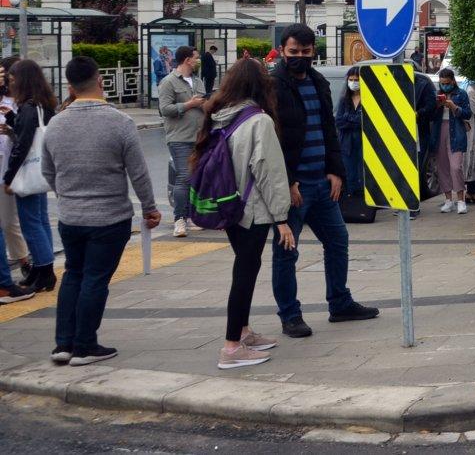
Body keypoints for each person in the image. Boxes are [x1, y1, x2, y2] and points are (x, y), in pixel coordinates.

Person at [42, 57, 160, 365]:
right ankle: (85, 345)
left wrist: (66, 195)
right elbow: (138, 173)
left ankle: (63, 345)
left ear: (69, 87)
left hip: (70, 217)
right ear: (101, 82)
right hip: (109, 217)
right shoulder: (119, 122)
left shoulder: (56, 123)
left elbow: (48, 171)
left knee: (72, 275)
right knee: (95, 279)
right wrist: (149, 208)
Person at [271, 24, 379, 339]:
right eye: (294, 53)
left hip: (321, 182)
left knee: (337, 241)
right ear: (283, 51)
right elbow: (271, 140)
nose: (300, 58)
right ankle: (290, 315)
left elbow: (329, 129)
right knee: (286, 253)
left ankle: (340, 303)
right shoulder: (273, 85)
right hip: (293, 188)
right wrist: (287, 181)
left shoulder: (318, 81)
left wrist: (336, 170)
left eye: (306, 53)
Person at [195, 58, 297, 369]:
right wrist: (282, 219)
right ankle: (230, 347)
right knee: (245, 273)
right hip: (252, 209)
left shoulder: (220, 115)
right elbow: (268, 170)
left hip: (229, 204)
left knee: (246, 268)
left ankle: (242, 330)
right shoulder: (258, 120)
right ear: (260, 85)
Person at [3, 60, 59, 292]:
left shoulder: (28, 108)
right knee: (40, 219)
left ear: (23, 80)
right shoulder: (43, 104)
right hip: (42, 170)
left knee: (30, 224)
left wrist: (9, 177)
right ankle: (42, 269)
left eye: (13, 79)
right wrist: (11, 121)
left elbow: (23, 145)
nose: (10, 83)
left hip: (28, 171)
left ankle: (44, 270)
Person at [159, 45, 206, 238]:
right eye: (195, 58)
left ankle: (191, 216)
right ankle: (179, 219)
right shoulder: (169, 82)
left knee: (196, 178)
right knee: (184, 177)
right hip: (179, 137)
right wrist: (189, 104)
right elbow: (165, 109)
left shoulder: (197, 81)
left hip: (199, 137)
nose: (197, 61)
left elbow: (204, 103)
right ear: (187, 60)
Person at [0, 58, 33, 287]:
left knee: (8, 219)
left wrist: (10, 130)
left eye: (7, 75)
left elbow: (22, 137)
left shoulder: (21, 103)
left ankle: (24, 262)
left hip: (8, 166)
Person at [431, 69, 472, 213]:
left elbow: (468, 113)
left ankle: (461, 200)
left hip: (456, 131)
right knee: (442, 167)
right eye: (442, 83)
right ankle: (448, 200)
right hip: (439, 131)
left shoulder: (461, 94)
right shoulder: (436, 94)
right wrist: (437, 106)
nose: (444, 86)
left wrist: (454, 107)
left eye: (447, 83)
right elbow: (430, 115)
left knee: (456, 167)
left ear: (453, 81)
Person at [334, 67, 364, 211]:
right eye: (351, 80)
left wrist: (349, 119)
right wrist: (353, 120)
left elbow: (364, 121)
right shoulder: (344, 100)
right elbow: (339, 121)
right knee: (349, 175)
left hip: (364, 144)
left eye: (356, 80)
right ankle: (351, 206)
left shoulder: (369, 99)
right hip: (346, 145)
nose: (353, 83)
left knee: (362, 176)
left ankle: (363, 207)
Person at [411, 68, 437, 219]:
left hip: (418, 132)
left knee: (415, 168)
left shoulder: (422, 84)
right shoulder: (394, 82)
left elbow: (431, 105)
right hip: (397, 133)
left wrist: (418, 113)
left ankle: (413, 205)